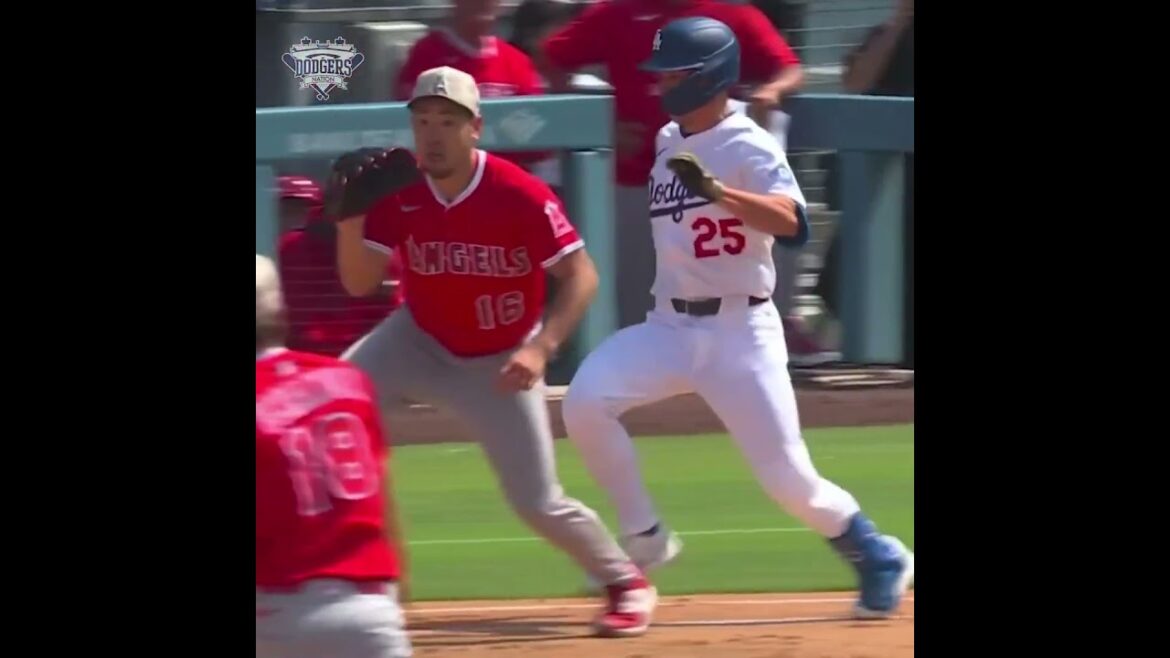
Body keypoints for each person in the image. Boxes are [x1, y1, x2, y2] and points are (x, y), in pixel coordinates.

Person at [561, 18, 914, 619]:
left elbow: (793, 222)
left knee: (787, 479)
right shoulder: (670, 138)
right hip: (670, 328)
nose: (660, 83)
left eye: (674, 72)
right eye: (662, 72)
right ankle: (644, 536)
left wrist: (722, 192)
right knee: (584, 400)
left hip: (738, 334)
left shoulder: (748, 143)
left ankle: (877, 553)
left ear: (711, 76)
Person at [332, 66, 658, 638]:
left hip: (498, 360)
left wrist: (542, 346)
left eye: (447, 122)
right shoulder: (398, 192)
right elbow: (359, 282)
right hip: (416, 339)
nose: (432, 134)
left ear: (475, 128)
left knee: (537, 501)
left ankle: (626, 580)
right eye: (423, 121)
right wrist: (348, 218)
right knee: (332, 406)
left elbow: (581, 275)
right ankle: (334, 573)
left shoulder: (517, 193)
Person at [538, 0, 804, 328]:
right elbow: (550, 56)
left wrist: (771, 91)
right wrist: (603, 124)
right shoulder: (616, 12)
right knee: (636, 305)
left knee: (726, 294)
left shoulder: (733, 13)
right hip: (635, 181)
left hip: (712, 186)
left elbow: (788, 68)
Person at [255, 254, 412, 658]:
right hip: (371, 613)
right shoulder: (349, 380)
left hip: (276, 615)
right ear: (280, 311)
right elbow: (385, 502)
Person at [818, 0, 914, 366]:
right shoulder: (886, 35)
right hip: (887, 184)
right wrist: (898, 22)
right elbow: (856, 83)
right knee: (847, 275)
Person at [394, 0, 549, 170]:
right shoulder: (427, 55)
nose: (483, 3)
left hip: (505, 181)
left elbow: (538, 142)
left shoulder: (516, 61)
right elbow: (411, 127)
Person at [276, 176, 407, 357]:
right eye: (285, 211)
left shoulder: (395, 250)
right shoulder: (287, 249)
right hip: (307, 363)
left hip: (377, 360)